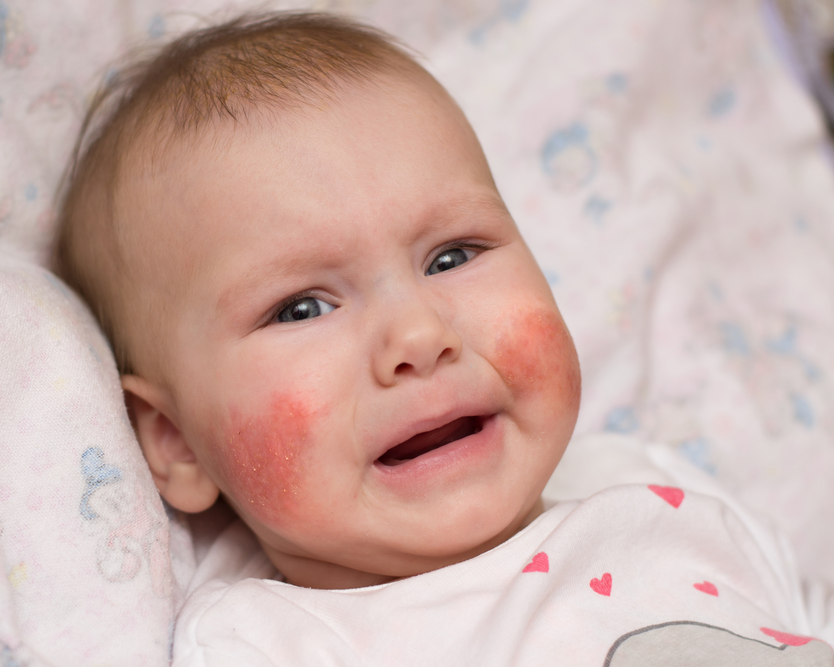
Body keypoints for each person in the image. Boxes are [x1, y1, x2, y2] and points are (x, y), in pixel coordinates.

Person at [53, 12, 833, 664]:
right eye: (301, 308)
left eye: (452, 256)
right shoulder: (275, 644)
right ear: (177, 441)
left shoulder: (654, 490)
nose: (420, 335)